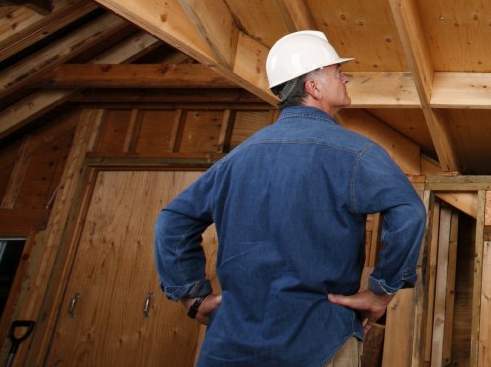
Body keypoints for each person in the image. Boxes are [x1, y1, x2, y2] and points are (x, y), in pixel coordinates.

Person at [154, 30, 426, 366]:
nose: (345, 77)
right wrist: (380, 291)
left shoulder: (237, 159)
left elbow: (172, 220)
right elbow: (409, 212)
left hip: (230, 344)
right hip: (319, 340)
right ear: (313, 88)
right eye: (336, 71)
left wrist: (191, 295)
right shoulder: (356, 153)